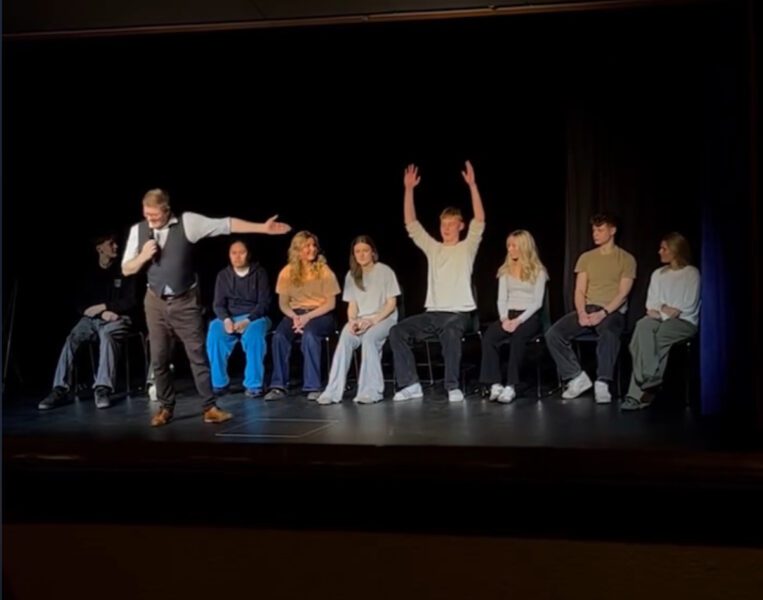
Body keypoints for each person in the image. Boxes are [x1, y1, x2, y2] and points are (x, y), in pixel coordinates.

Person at [121, 188, 290, 427]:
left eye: (155, 216)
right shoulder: (138, 231)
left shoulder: (188, 223)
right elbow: (126, 268)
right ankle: (165, 407)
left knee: (197, 355)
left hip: (185, 301)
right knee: (159, 358)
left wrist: (262, 228)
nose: (151, 220)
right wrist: (142, 257)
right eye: (147, 215)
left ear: (167, 210)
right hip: (155, 302)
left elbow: (226, 225)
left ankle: (209, 407)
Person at [388, 161, 485, 403]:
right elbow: (411, 224)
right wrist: (408, 190)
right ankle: (410, 384)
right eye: (444, 224)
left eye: (452, 224)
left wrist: (472, 185)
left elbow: (480, 221)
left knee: (451, 329)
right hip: (432, 313)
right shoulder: (433, 248)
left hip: (459, 314)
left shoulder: (466, 248)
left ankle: (452, 385)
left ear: (461, 226)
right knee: (397, 331)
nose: (447, 228)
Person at [39, 233, 137, 410]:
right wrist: (100, 313)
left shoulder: (124, 269)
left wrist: (105, 306)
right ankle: (60, 388)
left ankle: (102, 388)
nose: (115, 246)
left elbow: (131, 300)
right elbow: (80, 303)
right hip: (93, 319)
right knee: (73, 338)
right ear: (99, 248)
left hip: (118, 317)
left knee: (107, 334)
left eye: (115, 243)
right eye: (110, 243)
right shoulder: (88, 273)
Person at [546, 213, 636, 404]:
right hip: (587, 309)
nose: (595, 233)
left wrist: (603, 313)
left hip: (611, 310)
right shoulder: (586, 258)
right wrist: (581, 313)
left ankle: (602, 382)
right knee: (554, 333)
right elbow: (579, 290)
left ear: (612, 231)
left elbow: (623, 294)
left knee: (610, 332)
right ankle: (577, 377)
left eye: (600, 229)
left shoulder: (626, 259)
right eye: (594, 230)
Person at [316, 235, 400, 405]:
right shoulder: (351, 275)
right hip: (361, 319)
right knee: (345, 339)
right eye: (357, 252)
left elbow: (392, 304)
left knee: (369, 339)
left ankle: (371, 391)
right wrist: (352, 321)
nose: (361, 255)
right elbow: (352, 305)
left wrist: (373, 321)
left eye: (365, 251)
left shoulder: (385, 271)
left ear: (373, 252)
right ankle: (332, 391)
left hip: (384, 318)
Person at [622, 232, 700, 410]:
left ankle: (637, 394)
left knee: (655, 338)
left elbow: (685, 306)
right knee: (642, 327)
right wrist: (665, 310)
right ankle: (652, 380)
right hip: (658, 318)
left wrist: (664, 310)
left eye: (664, 248)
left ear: (676, 250)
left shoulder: (691, 274)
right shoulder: (658, 274)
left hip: (684, 322)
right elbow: (651, 303)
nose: (659, 252)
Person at [264, 231, 341, 401]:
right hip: (295, 314)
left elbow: (331, 304)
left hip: (320, 314)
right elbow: (283, 303)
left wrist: (308, 317)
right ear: (298, 249)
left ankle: (312, 386)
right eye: (308, 246)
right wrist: (295, 317)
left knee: (310, 335)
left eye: (314, 245)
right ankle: (278, 386)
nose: (312, 249)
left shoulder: (324, 270)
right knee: (279, 336)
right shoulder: (287, 272)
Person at [478, 230, 548, 404]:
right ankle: (495, 383)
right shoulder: (505, 270)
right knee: (489, 337)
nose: (510, 249)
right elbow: (502, 299)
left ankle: (511, 385)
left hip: (528, 316)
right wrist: (504, 319)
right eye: (508, 245)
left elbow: (537, 303)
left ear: (524, 247)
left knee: (518, 338)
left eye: (514, 245)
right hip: (508, 315)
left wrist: (518, 321)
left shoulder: (538, 271)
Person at [206, 239, 271, 397]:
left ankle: (254, 384)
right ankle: (219, 383)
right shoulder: (223, 276)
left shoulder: (259, 273)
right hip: (231, 318)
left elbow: (264, 303)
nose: (237, 256)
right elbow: (218, 304)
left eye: (241, 252)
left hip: (254, 317)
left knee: (254, 336)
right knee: (215, 331)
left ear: (248, 254)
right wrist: (226, 320)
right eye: (233, 253)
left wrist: (248, 320)